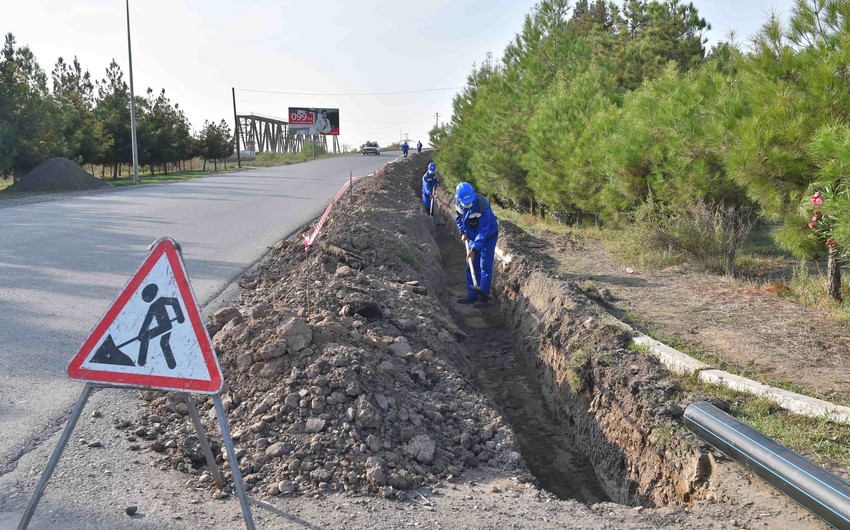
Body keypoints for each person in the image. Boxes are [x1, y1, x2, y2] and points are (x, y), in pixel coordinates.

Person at [454, 182, 498, 308]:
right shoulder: (457, 202)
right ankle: (472, 294)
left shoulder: (483, 204)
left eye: (469, 202)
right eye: (465, 202)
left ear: (473, 194)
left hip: (488, 236)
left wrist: (474, 248)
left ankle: (482, 298)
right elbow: (458, 218)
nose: (467, 204)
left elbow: (483, 231)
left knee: (485, 266)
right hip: (472, 235)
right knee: (471, 264)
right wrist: (462, 231)